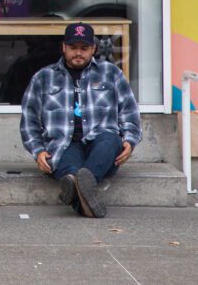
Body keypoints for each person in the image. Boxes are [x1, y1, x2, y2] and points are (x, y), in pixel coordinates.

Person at [20, 22, 142, 218]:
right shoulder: (43, 77)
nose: (78, 53)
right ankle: (84, 197)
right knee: (71, 170)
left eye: (84, 48)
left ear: (93, 48)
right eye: (73, 48)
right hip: (63, 144)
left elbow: (129, 112)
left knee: (111, 139)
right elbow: (29, 120)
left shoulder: (111, 73)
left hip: (102, 143)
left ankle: (74, 189)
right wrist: (38, 150)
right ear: (63, 47)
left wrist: (130, 140)